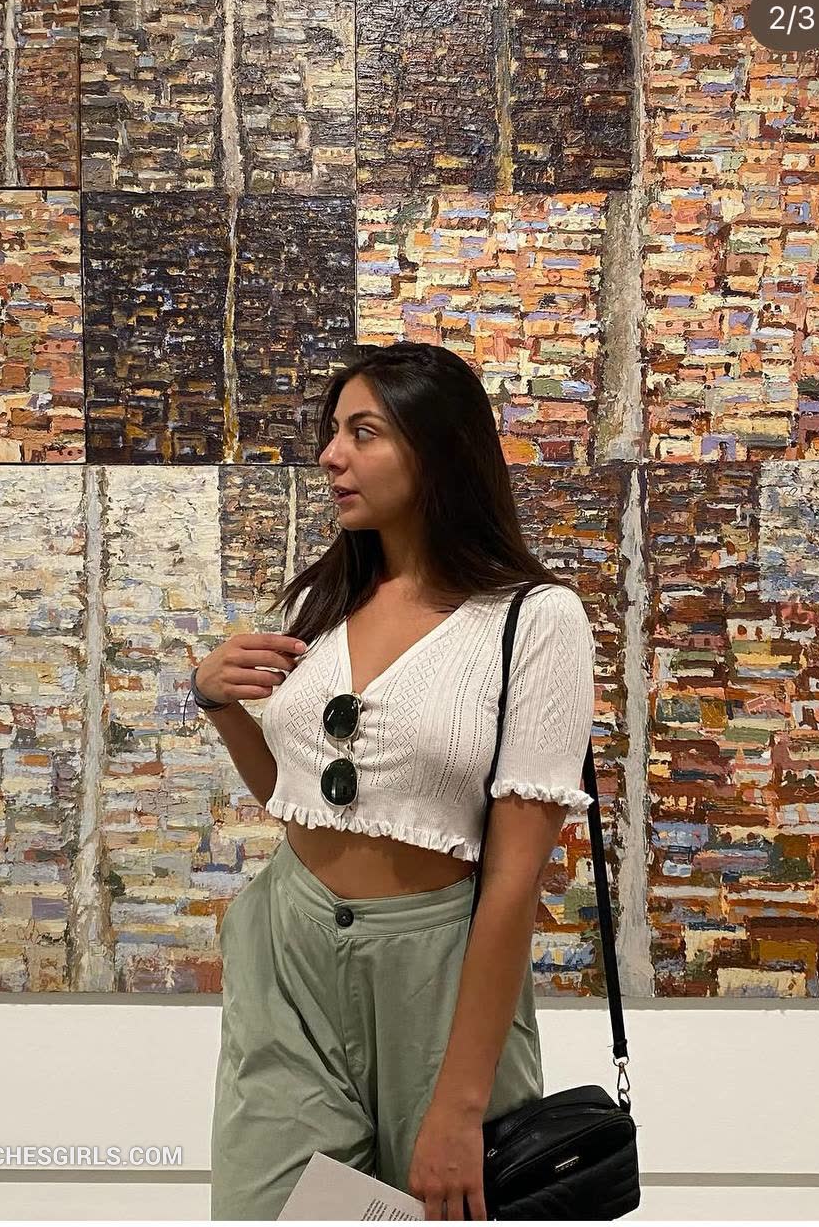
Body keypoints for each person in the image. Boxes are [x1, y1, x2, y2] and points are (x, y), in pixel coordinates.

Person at [196, 342, 597, 1221]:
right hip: (288, 950)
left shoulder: (534, 619)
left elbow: (514, 880)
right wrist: (218, 704)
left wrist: (461, 1106)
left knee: (441, 1205)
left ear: (439, 447)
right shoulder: (326, 601)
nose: (330, 455)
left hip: (439, 969)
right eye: (333, 432)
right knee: (269, 1209)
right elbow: (298, 801)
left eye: (363, 433)